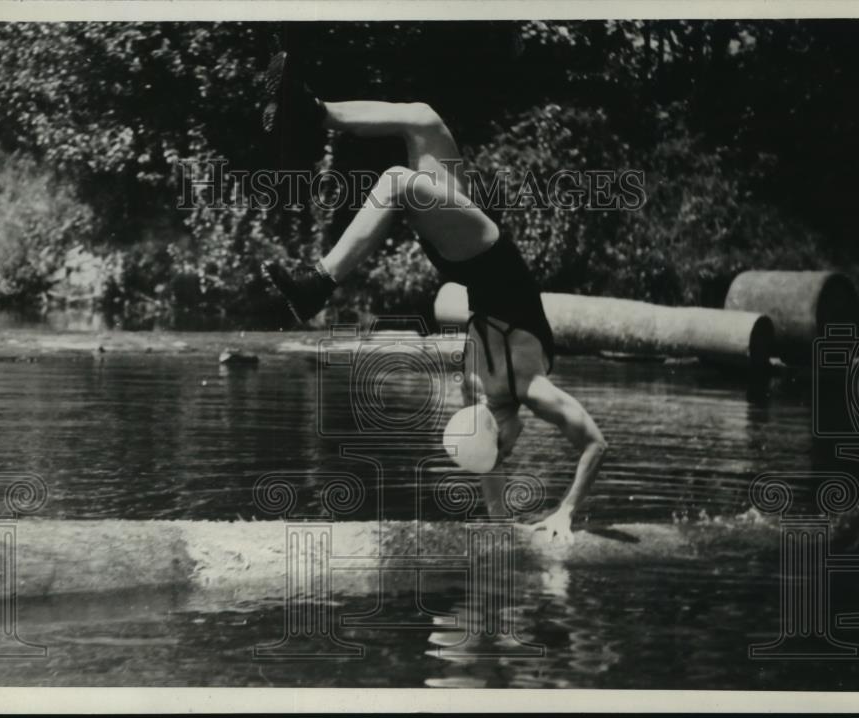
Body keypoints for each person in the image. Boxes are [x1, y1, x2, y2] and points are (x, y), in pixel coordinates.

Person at [260, 51, 608, 543]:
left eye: (500, 450)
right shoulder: (531, 390)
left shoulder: (474, 394)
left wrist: (505, 518)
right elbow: (596, 444)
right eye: (503, 450)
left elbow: (487, 468)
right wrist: (564, 513)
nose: (507, 450)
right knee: (423, 118)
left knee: (399, 183)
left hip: (469, 258)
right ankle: (311, 110)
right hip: (486, 251)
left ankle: (318, 283)